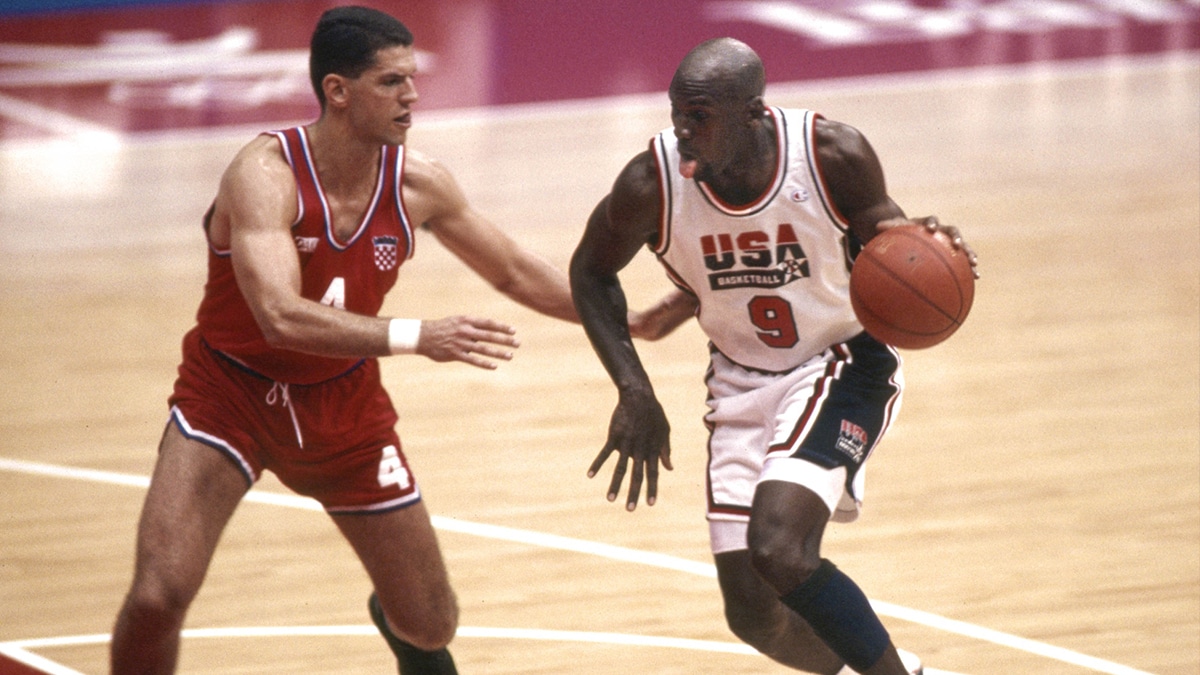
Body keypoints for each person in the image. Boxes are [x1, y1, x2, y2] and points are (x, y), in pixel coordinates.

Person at [108, 7, 668, 674]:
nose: (412, 96)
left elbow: (513, 269)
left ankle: (396, 616)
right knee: (157, 593)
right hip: (230, 394)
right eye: (390, 82)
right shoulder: (264, 174)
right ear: (338, 91)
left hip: (344, 408)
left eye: (413, 78)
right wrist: (418, 335)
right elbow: (280, 315)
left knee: (432, 624)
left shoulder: (417, 182)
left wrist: (620, 319)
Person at [569, 38, 978, 675]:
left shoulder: (829, 154)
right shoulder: (651, 182)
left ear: (754, 113)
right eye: (676, 112)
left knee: (781, 548)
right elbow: (591, 272)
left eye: (699, 116)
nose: (681, 130)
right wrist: (634, 390)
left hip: (840, 359)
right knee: (753, 614)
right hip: (739, 377)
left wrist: (927, 242)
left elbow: (892, 238)